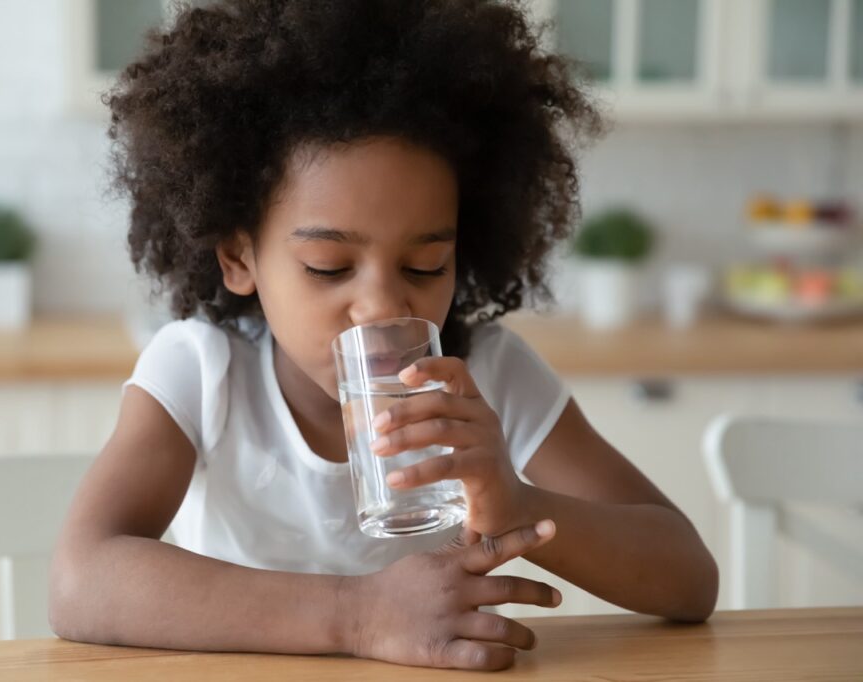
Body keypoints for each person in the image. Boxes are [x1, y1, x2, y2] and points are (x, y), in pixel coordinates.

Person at [49, 0, 717, 671]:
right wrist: (357, 615)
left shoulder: (487, 374)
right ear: (239, 257)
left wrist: (517, 503)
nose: (381, 307)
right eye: (329, 267)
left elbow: (689, 578)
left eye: (426, 265)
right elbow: (80, 580)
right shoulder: (201, 373)